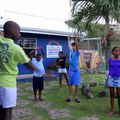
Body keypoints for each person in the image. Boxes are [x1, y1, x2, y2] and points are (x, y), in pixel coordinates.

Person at [0, 21, 38, 120]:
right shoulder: (16, 49)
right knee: (8, 112)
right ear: (12, 31)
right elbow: (28, 64)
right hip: (8, 85)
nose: (20, 34)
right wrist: (40, 71)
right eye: (19, 31)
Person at [66, 33, 80, 103]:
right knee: (70, 84)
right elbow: (69, 45)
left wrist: (75, 37)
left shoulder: (77, 52)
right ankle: (70, 96)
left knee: (77, 84)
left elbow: (77, 45)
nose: (73, 47)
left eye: (74, 46)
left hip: (76, 70)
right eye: (72, 46)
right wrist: (68, 37)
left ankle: (77, 97)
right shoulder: (71, 51)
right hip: (71, 70)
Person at [107, 46, 120, 116]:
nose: (117, 52)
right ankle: (112, 110)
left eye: (119, 51)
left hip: (119, 78)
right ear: (112, 52)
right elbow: (109, 69)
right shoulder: (110, 59)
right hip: (111, 78)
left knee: (119, 95)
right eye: (116, 51)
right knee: (112, 95)